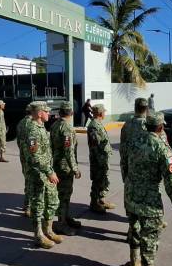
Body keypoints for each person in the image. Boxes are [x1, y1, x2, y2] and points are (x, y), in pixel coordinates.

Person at [122, 114, 172, 266]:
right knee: (150, 238)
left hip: (130, 195)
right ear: (160, 128)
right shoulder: (162, 148)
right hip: (149, 200)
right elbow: (170, 179)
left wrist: (129, 184)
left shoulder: (133, 142)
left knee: (134, 230)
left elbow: (124, 164)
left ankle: (133, 264)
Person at [25, 102, 62, 249]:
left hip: (46, 172)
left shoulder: (41, 127)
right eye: (47, 112)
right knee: (38, 204)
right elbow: (34, 156)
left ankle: (49, 230)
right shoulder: (33, 130)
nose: (49, 114)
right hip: (38, 174)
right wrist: (49, 171)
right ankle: (38, 235)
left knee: (52, 201)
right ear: (40, 113)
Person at [50, 101, 81, 235]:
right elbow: (68, 150)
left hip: (56, 163)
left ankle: (65, 217)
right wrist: (75, 168)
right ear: (72, 113)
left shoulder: (55, 125)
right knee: (64, 194)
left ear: (60, 112)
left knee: (64, 193)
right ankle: (61, 224)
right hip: (64, 166)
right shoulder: (67, 128)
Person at [87, 104, 114, 213]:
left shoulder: (98, 124)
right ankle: (94, 203)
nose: (105, 113)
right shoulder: (94, 126)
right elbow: (95, 145)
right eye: (104, 112)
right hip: (98, 159)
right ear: (100, 113)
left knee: (103, 181)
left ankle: (101, 201)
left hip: (102, 158)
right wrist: (101, 161)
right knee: (97, 181)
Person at [120, 98, 150, 183]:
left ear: (135, 108)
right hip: (148, 174)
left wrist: (124, 174)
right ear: (147, 108)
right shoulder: (151, 125)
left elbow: (123, 151)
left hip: (131, 173)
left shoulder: (127, 125)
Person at [16, 103, 34, 216]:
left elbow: (19, 141)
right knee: (31, 182)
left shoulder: (21, 122)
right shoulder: (31, 124)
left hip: (23, 155)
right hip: (30, 157)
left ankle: (27, 205)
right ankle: (28, 207)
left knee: (28, 180)